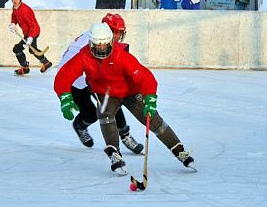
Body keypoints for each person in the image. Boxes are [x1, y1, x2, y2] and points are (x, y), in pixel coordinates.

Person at [54, 22, 195, 175]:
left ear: (111, 42)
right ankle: (114, 153)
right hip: (106, 93)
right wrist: (65, 98)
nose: (101, 48)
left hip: (130, 92)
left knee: (152, 119)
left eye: (105, 45)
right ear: (90, 43)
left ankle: (179, 150)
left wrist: (150, 98)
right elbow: (63, 77)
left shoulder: (122, 56)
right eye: (97, 45)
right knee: (104, 114)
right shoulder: (84, 56)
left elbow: (145, 76)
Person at [56, 13, 143, 154]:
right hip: (73, 80)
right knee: (91, 113)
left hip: (83, 76)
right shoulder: (96, 42)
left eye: (120, 33)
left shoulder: (99, 37)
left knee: (110, 97)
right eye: (117, 33)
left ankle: (125, 135)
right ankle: (80, 125)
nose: (118, 37)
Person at [9, 0, 52, 75]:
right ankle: (45, 63)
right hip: (27, 33)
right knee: (32, 50)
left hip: (33, 31)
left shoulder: (25, 10)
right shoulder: (15, 7)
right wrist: (13, 23)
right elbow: (14, 15)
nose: (15, 1)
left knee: (17, 49)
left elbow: (33, 26)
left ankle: (25, 67)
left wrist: (30, 38)